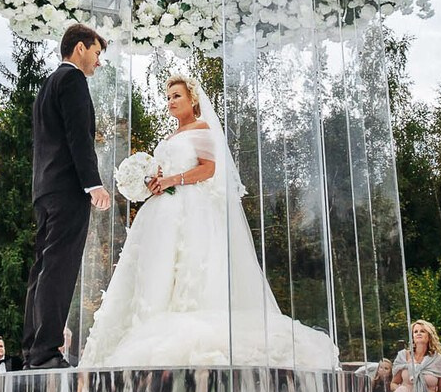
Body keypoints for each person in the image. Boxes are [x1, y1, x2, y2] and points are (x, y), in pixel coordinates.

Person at [80, 73, 341, 369]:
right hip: (160, 212)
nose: (171, 102)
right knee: (155, 270)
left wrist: (172, 179)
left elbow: (208, 169)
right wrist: (153, 182)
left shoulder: (202, 129)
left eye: (177, 96)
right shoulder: (169, 138)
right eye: (168, 98)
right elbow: (164, 173)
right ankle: (142, 332)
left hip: (191, 209)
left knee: (190, 270)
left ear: (192, 99)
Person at [23, 23, 115, 370]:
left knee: (43, 269)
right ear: (80, 48)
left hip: (45, 191)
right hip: (67, 190)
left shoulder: (48, 84)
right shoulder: (73, 80)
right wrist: (93, 184)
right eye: (96, 53)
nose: (98, 62)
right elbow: (79, 136)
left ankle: (33, 349)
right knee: (60, 268)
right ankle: (47, 352)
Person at [387, 320, 441, 392]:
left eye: (422, 331)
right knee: (402, 391)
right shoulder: (403, 356)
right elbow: (393, 384)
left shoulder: (438, 360)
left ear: (429, 336)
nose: (418, 333)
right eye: (415, 332)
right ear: (412, 337)